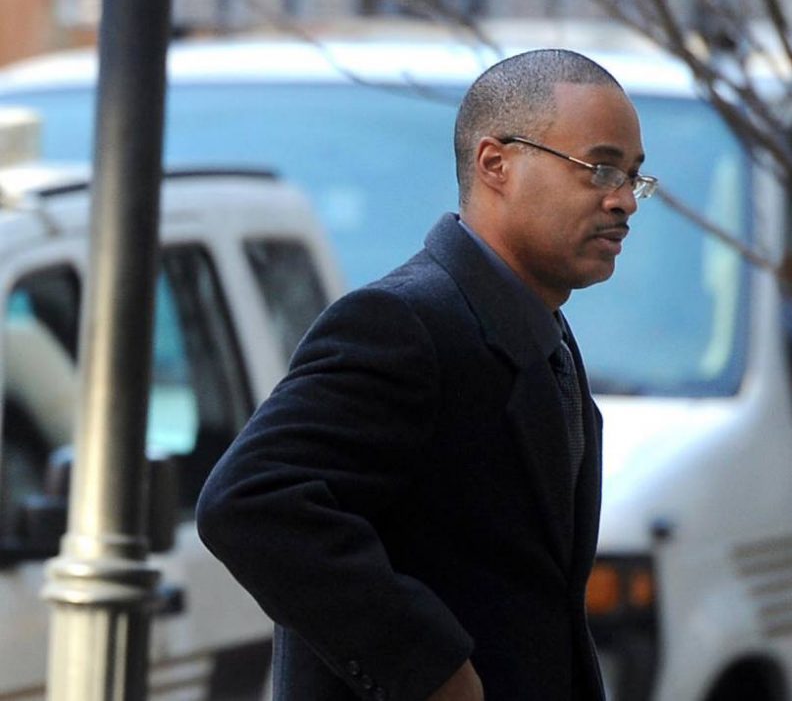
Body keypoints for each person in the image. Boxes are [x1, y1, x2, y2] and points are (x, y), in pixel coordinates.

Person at [196, 48, 656, 701]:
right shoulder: (400, 323)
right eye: (600, 168)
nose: (624, 201)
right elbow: (252, 502)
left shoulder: (545, 333)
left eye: (634, 177)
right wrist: (430, 667)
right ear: (495, 163)